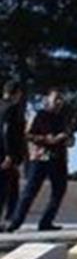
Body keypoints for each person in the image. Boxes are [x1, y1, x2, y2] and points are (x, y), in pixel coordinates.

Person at [5, 89, 73, 232]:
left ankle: (46, 222)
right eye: (56, 99)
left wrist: (68, 140)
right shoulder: (38, 115)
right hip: (40, 157)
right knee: (30, 191)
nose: (59, 102)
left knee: (59, 191)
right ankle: (15, 223)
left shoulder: (63, 118)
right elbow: (28, 135)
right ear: (47, 100)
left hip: (59, 158)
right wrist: (48, 139)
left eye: (61, 99)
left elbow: (69, 136)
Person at [0, 82, 27, 225]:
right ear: (16, 93)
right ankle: (8, 220)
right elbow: (7, 131)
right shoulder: (13, 108)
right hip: (7, 154)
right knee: (9, 189)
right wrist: (10, 154)